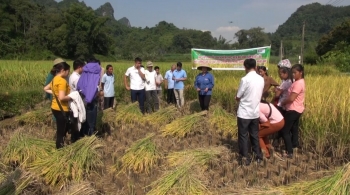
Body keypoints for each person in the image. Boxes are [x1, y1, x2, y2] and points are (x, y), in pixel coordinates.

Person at [236, 58, 264, 165]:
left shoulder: (245, 79)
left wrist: (237, 97)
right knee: (254, 135)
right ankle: (258, 157)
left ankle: (245, 158)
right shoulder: (261, 79)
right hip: (255, 112)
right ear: (255, 67)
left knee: (243, 135)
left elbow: (238, 96)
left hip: (244, 113)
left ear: (245, 67)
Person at [43, 61, 72, 149]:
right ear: (63, 70)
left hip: (54, 107)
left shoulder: (55, 79)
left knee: (61, 129)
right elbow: (62, 98)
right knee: (61, 131)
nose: (68, 73)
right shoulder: (62, 81)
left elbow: (45, 88)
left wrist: (55, 93)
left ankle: (60, 146)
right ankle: (59, 149)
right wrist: (71, 97)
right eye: (68, 71)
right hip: (62, 109)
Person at [279, 64, 305, 159]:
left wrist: (283, 102)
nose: (293, 74)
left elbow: (291, 98)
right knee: (294, 128)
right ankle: (294, 146)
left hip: (293, 109)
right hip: (298, 109)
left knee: (285, 130)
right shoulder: (299, 82)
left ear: (301, 72)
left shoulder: (298, 83)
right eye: (292, 72)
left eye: (295, 72)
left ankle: (289, 152)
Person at [77, 57, 101, 136]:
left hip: (82, 98)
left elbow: (79, 85)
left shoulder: (84, 71)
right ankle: (91, 136)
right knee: (91, 120)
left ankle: (83, 135)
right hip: (92, 100)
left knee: (83, 118)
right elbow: (95, 86)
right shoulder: (96, 71)